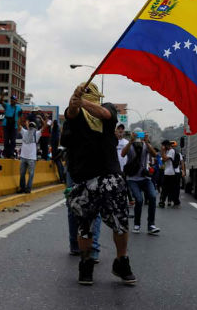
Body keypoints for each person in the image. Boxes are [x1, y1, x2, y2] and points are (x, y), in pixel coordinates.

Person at [63, 82, 135, 286]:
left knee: (120, 222)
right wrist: (75, 102)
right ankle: (86, 264)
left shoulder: (108, 108)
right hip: (84, 178)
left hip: (109, 176)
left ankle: (122, 261)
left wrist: (83, 101)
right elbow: (71, 113)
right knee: (84, 224)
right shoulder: (74, 114)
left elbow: (105, 114)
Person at [121, 130, 161, 234]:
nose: (139, 137)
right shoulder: (130, 145)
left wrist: (147, 142)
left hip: (145, 178)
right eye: (136, 134)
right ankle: (137, 224)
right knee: (138, 200)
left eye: (140, 134)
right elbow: (122, 154)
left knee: (152, 197)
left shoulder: (145, 145)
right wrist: (131, 141)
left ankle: (151, 225)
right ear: (132, 135)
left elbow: (154, 154)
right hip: (132, 179)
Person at [19, 118, 44, 193]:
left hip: (32, 158)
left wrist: (43, 119)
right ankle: (22, 188)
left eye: (32, 126)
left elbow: (44, 127)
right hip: (23, 157)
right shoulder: (24, 132)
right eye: (30, 126)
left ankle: (28, 188)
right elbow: (18, 125)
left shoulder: (37, 134)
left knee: (31, 174)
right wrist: (19, 117)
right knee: (22, 174)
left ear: (35, 128)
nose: (31, 127)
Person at [0, 92, 22, 159]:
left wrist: (19, 126)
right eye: (11, 99)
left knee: (13, 141)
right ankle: (6, 154)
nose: (12, 101)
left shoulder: (19, 108)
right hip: (6, 125)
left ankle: (11, 154)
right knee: (6, 140)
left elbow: (20, 118)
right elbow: (0, 102)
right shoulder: (7, 105)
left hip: (14, 126)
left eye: (14, 99)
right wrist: (3, 95)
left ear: (16, 101)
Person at [159, 140, 181, 208]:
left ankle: (169, 201)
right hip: (167, 172)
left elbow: (164, 159)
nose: (163, 147)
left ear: (166, 145)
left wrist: (162, 151)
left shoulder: (171, 151)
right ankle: (163, 201)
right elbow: (162, 160)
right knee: (166, 188)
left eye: (163, 146)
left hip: (171, 173)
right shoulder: (168, 151)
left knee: (168, 188)